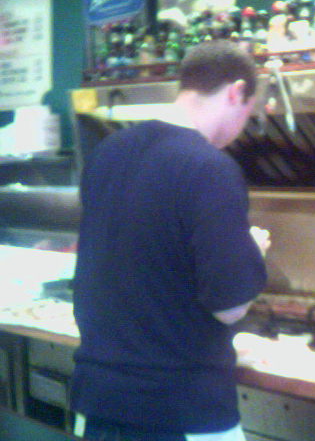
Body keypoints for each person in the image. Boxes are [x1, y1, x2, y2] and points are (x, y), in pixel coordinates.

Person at [70, 40, 270, 441]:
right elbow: (230, 307)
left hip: (98, 407)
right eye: (248, 114)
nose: (241, 128)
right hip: (180, 412)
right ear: (236, 92)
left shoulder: (108, 152)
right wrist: (253, 250)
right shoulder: (210, 168)